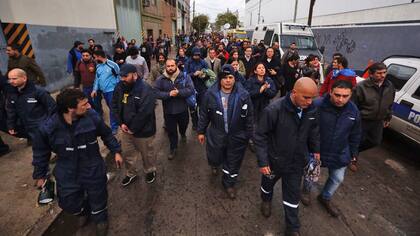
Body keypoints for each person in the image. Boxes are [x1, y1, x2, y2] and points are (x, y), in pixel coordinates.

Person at [32, 88, 123, 236]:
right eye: (84, 104)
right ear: (70, 108)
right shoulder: (49, 128)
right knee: (68, 202)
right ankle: (83, 211)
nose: (88, 106)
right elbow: (41, 152)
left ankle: (100, 219)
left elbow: (106, 134)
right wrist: (40, 175)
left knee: (98, 196)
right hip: (67, 169)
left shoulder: (92, 117)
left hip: (92, 165)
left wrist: (116, 151)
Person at [255, 77, 320, 236]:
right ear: (294, 92)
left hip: (296, 163)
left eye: (312, 98)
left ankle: (292, 228)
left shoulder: (311, 110)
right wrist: (263, 162)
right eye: (306, 97)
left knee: (292, 195)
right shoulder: (274, 110)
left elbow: (313, 131)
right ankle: (266, 200)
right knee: (267, 183)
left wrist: (316, 151)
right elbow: (260, 136)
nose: (310, 102)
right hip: (273, 163)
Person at [301, 80, 361, 217]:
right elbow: (305, 128)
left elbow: (355, 134)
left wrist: (353, 154)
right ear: (330, 92)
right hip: (316, 151)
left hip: (340, 152)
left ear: (351, 95)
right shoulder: (316, 105)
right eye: (337, 95)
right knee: (310, 176)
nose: (341, 99)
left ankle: (325, 197)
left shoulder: (353, 111)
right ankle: (305, 190)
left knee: (337, 178)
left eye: (345, 96)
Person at [197, 66, 253, 199]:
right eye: (224, 78)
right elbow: (204, 114)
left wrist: (248, 135)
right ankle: (214, 164)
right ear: (219, 79)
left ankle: (229, 183)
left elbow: (250, 116)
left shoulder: (243, 95)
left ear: (235, 78)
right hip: (217, 133)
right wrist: (201, 131)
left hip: (237, 135)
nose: (228, 81)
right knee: (215, 156)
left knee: (233, 161)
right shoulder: (210, 94)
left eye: (230, 77)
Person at [112, 64, 157, 186]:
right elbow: (114, 105)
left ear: (135, 75)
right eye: (121, 76)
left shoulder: (145, 89)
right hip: (125, 130)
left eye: (125, 76)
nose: (122, 79)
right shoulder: (119, 87)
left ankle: (150, 170)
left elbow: (145, 112)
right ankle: (131, 173)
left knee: (147, 154)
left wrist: (133, 128)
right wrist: (121, 124)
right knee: (127, 153)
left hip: (143, 130)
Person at [154, 59, 194, 159]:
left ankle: (183, 133)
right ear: (166, 67)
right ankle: (173, 148)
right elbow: (155, 92)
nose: (170, 68)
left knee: (184, 125)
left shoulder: (184, 76)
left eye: (172, 65)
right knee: (171, 131)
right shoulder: (161, 79)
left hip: (182, 109)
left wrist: (179, 92)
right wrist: (168, 94)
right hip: (169, 111)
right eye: (168, 66)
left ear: (176, 65)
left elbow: (190, 89)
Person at [353, 62, 395, 153]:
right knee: (356, 140)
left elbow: (390, 103)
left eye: (384, 72)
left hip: (378, 121)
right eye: (379, 73)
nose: (383, 75)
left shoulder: (389, 86)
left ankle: (353, 152)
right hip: (362, 120)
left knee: (375, 141)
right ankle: (353, 157)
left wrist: (388, 117)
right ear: (371, 74)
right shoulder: (361, 87)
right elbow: (353, 105)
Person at [6, 68, 56, 143]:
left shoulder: (38, 92)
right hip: (29, 129)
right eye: (9, 79)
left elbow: (52, 108)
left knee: (55, 144)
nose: (11, 81)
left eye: (14, 79)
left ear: (24, 78)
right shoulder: (12, 94)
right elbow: (11, 111)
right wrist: (11, 125)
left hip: (44, 127)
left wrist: (49, 124)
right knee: (39, 150)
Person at [91, 49, 120, 134]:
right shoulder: (98, 66)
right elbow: (97, 79)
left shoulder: (113, 65)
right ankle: (118, 118)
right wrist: (94, 89)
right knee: (111, 107)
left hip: (112, 91)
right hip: (104, 92)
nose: (94, 59)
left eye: (95, 57)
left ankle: (114, 127)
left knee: (112, 108)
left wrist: (118, 89)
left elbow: (119, 77)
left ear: (99, 56)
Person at [185, 48, 208, 130]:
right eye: (195, 55)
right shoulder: (188, 62)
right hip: (191, 88)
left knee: (202, 108)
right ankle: (195, 123)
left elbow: (208, 73)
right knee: (193, 107)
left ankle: (202, 124)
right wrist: (194, 74)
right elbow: (185, 75)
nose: (197, 57)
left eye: (198, 55)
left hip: (202, 88)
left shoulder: (203, 62)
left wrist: (202, 74)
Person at [74, 49, 103, 115]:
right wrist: (76, 86)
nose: (85, 57)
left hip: (95, 87)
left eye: (87, 55)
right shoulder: (79, 63)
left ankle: (100, 115)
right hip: (85, 87)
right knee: (88, 102)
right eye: (83, 55)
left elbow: (101, 74)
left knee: (97, 102)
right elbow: (77, 75)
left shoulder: (95, 62)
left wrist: (95, 69)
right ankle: (93, 115)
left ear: (90, 56)